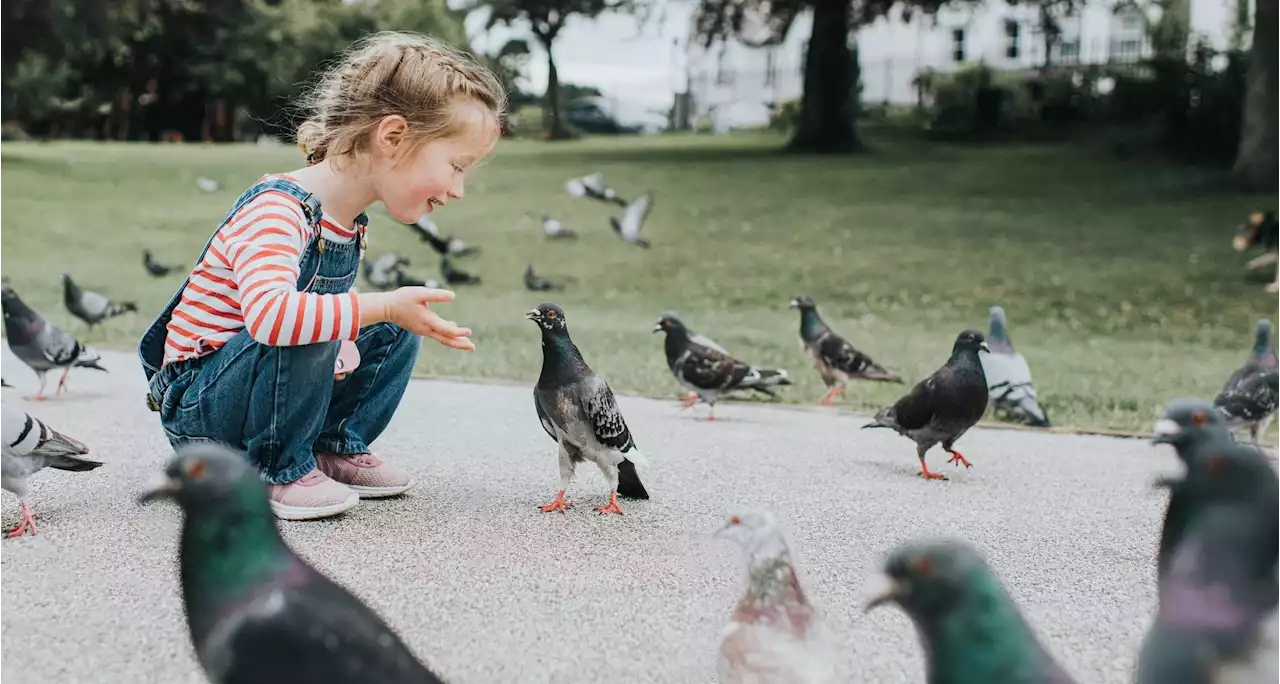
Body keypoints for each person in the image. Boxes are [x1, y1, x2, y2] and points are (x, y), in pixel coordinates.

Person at [137, 31, 507, 521]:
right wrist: (359, 316)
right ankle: (276, 469)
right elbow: (272, 319)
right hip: (202, 410)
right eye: (456, 166)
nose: (458, 189)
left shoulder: (346, 219)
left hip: (252, 388)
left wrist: (360, 327)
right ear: (392, 137)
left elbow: (322, 300)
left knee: (396, 322)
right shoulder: (278, 211)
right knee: (324, 317)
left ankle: (332, 445)